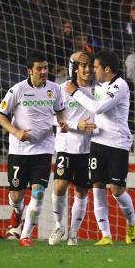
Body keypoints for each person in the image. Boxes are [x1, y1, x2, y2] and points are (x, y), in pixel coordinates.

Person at [65, 49, 135, 246]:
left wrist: (75, 93)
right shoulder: (99, 84)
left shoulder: (119, 86)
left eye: (95, 67)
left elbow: (97, 108)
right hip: (97, 141)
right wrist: (74, 61)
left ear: (107, 68)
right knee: (97, 186)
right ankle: (105, 234)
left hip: (117, 143)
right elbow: (74, 77)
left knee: (116, 190)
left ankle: (132, 220)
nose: (92, 70)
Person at [0, 50, 67, 246]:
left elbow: (60, 112)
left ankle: (25, 235)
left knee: (39, 192)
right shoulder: (17, 90)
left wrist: (63, 122)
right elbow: (0, 115)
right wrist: (16, 132)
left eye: (46, 68)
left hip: (43, 149)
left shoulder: (54, 89)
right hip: (19, 150)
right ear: (30, 71)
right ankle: (17, 212)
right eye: (39, 68)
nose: (44, 71)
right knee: (16, 197)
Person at [48, 52, 97, 246]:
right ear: (75, 68)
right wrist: (77, 125)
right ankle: (59, 226)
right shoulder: (62, 89)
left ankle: (73, 234)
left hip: (88, 149)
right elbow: (52, 117)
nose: (87, 69)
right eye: (83, 65)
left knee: (82, 191)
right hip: (66, 146)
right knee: (60, 186)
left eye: (90, 65)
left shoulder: (97, 90)